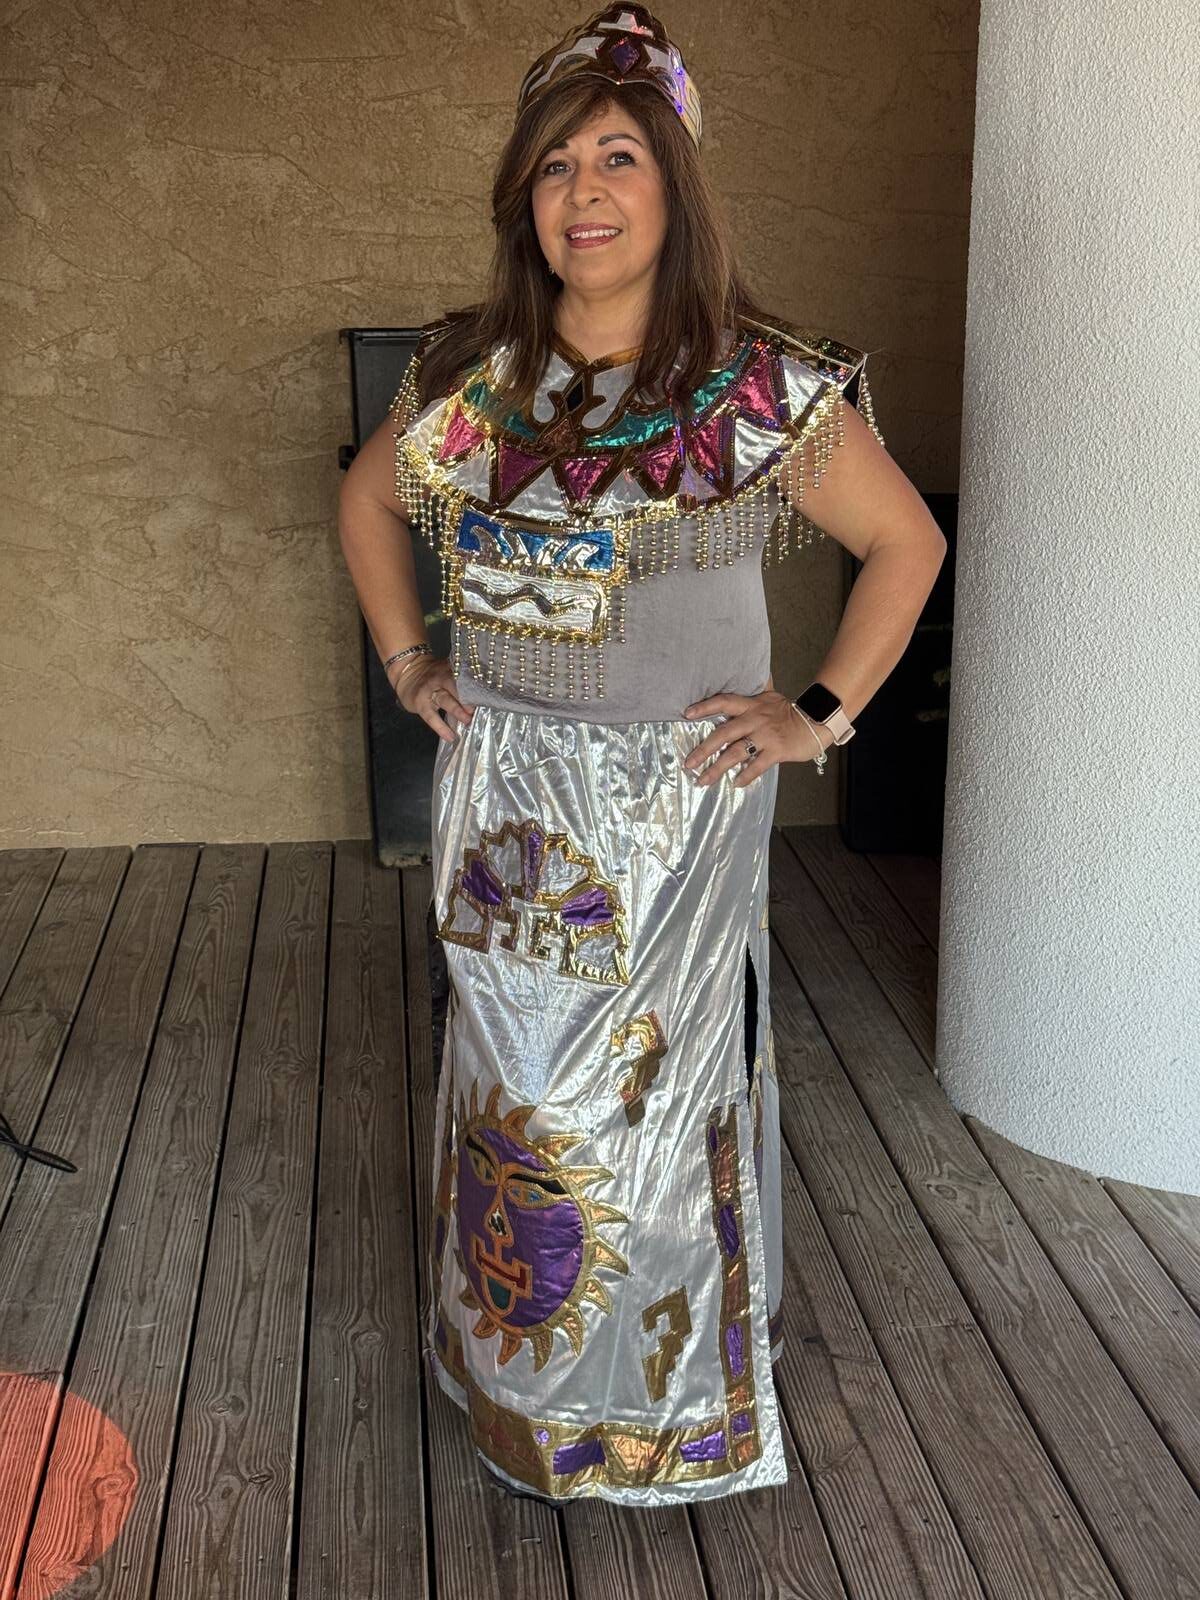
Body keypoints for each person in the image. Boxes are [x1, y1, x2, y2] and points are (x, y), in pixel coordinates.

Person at [338, 3, 946, 1507]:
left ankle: (664, 1413)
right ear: (523, 202)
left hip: (674, 813)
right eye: (555, 166)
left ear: (673, 186)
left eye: (618, 157)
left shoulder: (750, 388)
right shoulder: (473, 381)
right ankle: (519, 1383)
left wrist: (815, 716)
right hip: (504, 797)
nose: (585, 191)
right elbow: (365, 508)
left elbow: (906, 542)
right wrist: (412, 657)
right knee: (515, 1095)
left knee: (656, 1110)